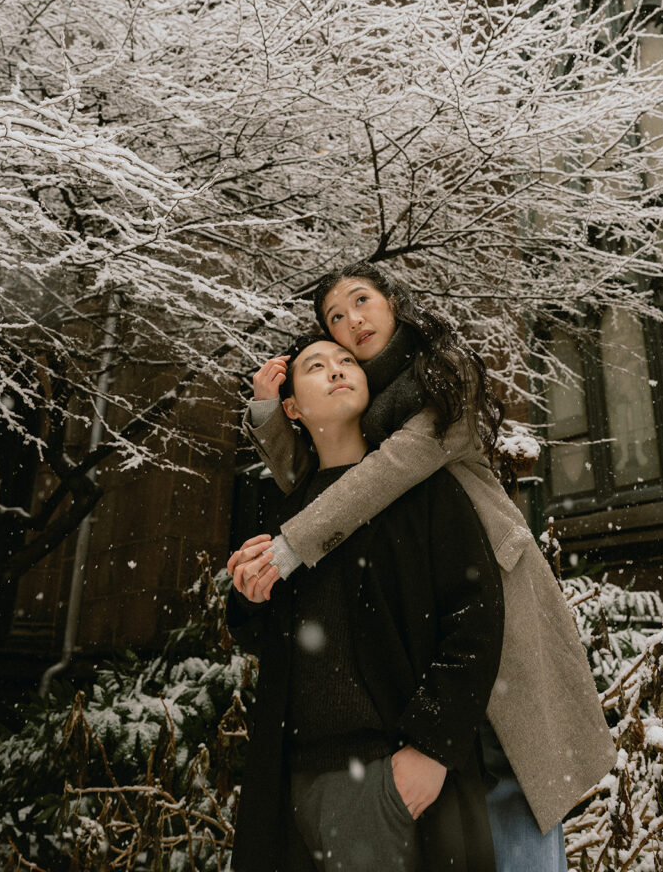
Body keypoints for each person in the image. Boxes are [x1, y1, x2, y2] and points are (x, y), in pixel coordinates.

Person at [231, 261, 617, 871]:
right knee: (471, 814)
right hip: (425, 613)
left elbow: (383, 475)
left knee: (514, 777)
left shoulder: (442, 375)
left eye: (361, 301)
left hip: (495, 596)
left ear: (392, 302)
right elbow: (323, 487)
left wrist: (287, 547)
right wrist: (270, 413)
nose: (351, 321)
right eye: (334, 316)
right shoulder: (366, 400)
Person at [226, 334, 505, 872]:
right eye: (316, 366)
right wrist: (249, 598)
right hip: (290, 784)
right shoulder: (287, 510)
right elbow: (273, 643)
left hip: (389, 776)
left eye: (347, 361)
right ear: (292, 408)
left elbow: (476, 622)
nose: (336, 370)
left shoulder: (421, 489)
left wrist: (429, 748)